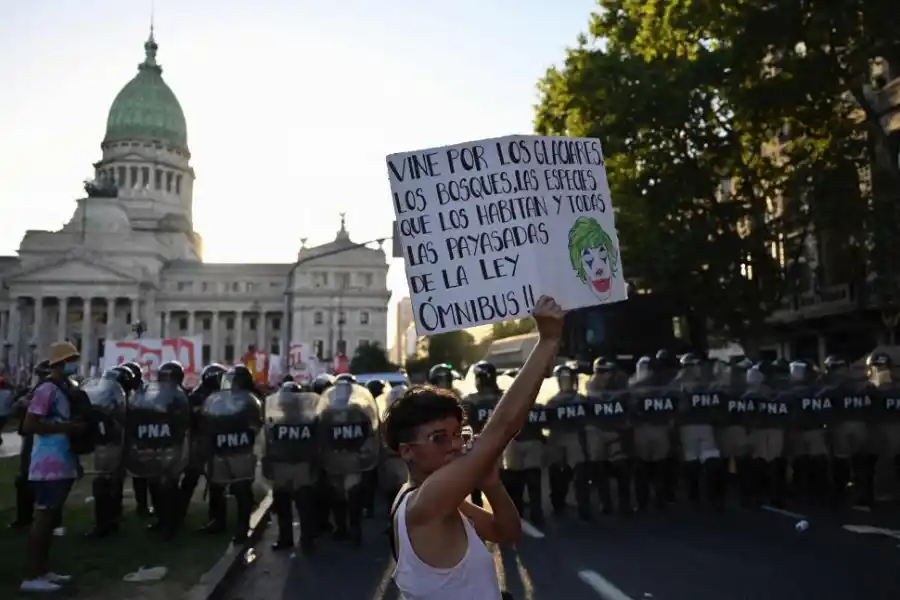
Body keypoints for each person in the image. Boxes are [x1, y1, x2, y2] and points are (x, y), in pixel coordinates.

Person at [385, 296, 564, 600]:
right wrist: (548, 340)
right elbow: (502, 429)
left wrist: (491, 483)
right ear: (407, 451)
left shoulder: (438, 497)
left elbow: (506, 533)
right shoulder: (426, 499)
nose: (455, 445)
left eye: (458, 433)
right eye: (439, 438)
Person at [20, 341, 87, 593]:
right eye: (71, 359)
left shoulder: (63, 389)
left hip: (63, 459)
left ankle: (44, 570)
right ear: (60, 363)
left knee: (50, 521)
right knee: (43, 519)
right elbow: (30, 425)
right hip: (47, 462)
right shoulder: (46, 389)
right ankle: (31, 575)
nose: (74, 363)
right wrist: (67, 428)